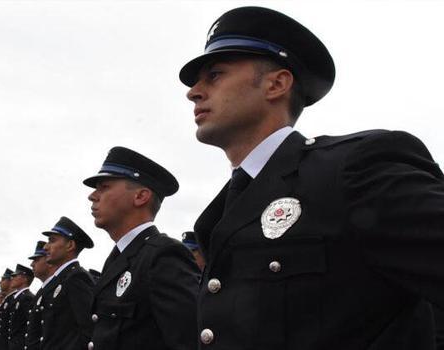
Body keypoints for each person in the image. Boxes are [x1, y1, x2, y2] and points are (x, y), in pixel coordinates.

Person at [179, 6, 444, 349]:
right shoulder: (220, 213)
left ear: (276, 84)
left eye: (214, 74)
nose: (193, 92)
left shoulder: (352, 169)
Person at [84, 146, 200, 350]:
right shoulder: (119, 258)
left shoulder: (163, 255)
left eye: (104, 187)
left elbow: (189, 341)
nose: (93, 196)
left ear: (140, 197)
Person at [36, 216, 95, 350]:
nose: (45, 247)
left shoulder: (77, 277)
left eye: (52, 241)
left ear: (70, 245)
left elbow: (89, 332)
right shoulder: (59, 279)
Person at [25, 241, 56, 350]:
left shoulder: (63, 285)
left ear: (48, 260)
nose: (32, 264)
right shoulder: (42, 291)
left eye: (36, 260)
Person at [7, 264, 35, 350]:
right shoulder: (17, 297)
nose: (12, 278)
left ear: (25, 279)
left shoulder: (27, 298)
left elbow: (31, 325)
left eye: (15, 275)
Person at [0, 268, 14, 350]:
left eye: (3, 279)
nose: (0, 282)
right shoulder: (7, 300)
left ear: (10, 281)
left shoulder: (15, 300)